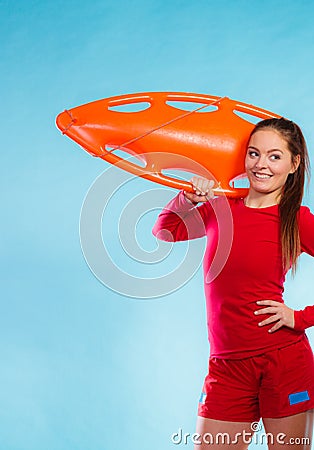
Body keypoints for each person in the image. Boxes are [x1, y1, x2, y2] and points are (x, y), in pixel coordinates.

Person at [152, 118, 314, 449]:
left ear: (294, 163)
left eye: (274, 156)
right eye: (254, 154)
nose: (261, 165)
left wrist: (300, 318)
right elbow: (166, 231)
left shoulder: (296, 219)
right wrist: (189, 197)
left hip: (283, 362)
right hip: (226, 367)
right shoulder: (220, 208)